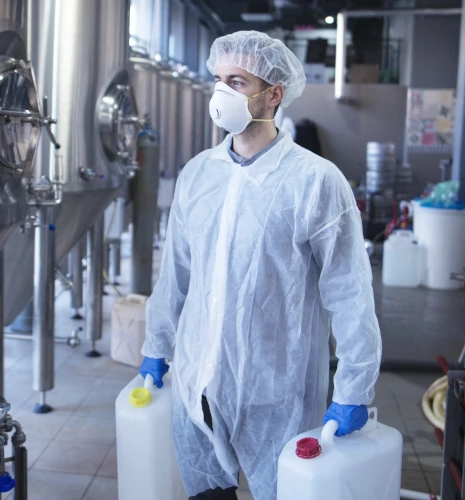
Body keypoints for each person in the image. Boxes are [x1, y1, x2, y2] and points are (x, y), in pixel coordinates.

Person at [140, 31, 382, 500]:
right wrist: (157, 343)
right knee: (206, 493)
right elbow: (176, 275)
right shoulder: (198, 175)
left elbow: (350, 292)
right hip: (198, 385)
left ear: (273, 93)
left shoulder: (315, 182)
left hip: (277, 391)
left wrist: (354, 386)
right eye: (217, 79)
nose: (221, 93)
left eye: (237, 80)